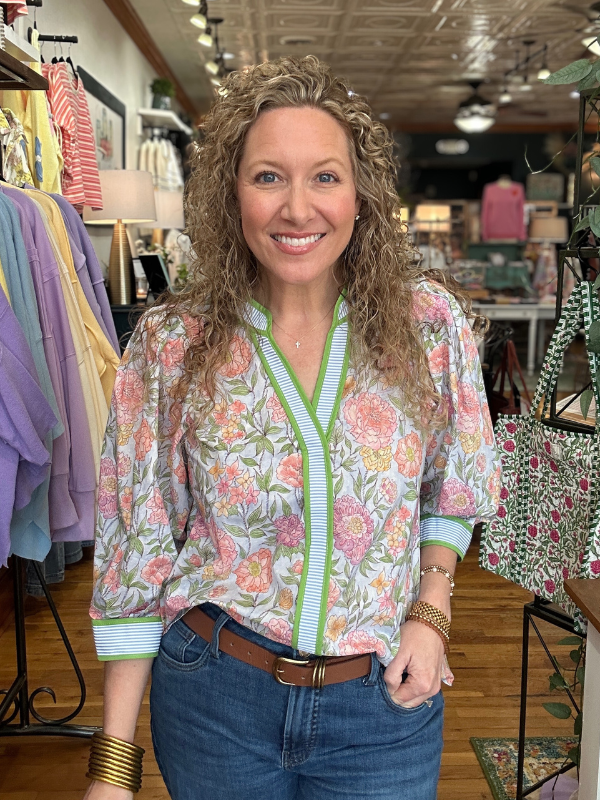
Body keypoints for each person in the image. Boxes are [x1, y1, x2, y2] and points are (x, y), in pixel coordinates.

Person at [85, 56, 500, 800]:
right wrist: (113, 770)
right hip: (215, 698)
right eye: (269, 176)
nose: (297, 209)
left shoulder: (426, 326)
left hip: (382, 706)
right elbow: (136, 549)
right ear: (231, 193)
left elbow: (457, 483)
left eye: (326, 177)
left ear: (362, 196)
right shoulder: (175, 344)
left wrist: (432, 613)